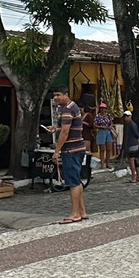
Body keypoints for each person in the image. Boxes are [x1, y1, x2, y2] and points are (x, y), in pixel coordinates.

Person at [51, 87, 88, 223]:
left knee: (72, 182)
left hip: (71, 150)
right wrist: (56, 129)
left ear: (66, 95)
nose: (55, 98)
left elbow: (65, 132)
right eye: (54, 95)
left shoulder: (67, 109)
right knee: (77, 180)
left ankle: (75, 213)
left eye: (58, 95)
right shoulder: (73, 107)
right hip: (78, 148)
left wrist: (56, 151)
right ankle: (82, 211)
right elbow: (68, 128)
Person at [121, 110, 139, 183]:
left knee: (132, 161)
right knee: (135, 161)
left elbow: (136, 134)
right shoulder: (127, 125)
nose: (126, 118)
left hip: (132, 144)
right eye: (125, 116)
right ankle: (138, 176)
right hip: (131, 144)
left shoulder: (132, 125)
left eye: (127, 116)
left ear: (130, 116)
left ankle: (133, 177)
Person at [94, 102, 114, 171]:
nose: (102, 110)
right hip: (101, 132)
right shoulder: (98, 116)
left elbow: (111, 123)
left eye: (104, 108)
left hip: (108, 132)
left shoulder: (108, 116)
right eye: (101, 108)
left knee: (109, 148)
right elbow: (95, 125)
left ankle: (108, 162)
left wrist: (110, 127)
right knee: (102, 149)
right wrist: (101, 126)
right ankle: (102, 163)